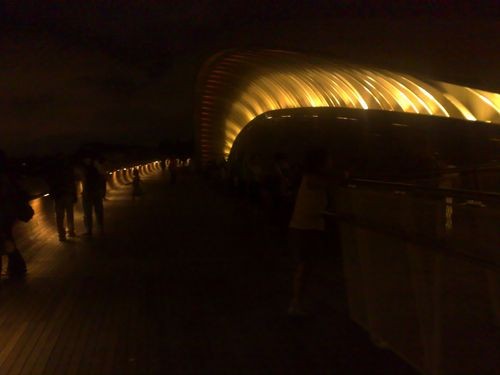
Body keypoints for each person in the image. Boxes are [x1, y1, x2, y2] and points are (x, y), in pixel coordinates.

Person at [287, 149, 332, 315]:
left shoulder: (309, 177)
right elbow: (330, 183)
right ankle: (296, 303)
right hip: (305, 228)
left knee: (305, 266)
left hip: (304, 227)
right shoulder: (313, 178)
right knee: (304, 266)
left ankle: (298, 302)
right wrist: (346, 176)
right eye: (328, 160)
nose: (331, 163)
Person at [0, 150, 29, 277]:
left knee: (5, 240)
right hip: (7, 213)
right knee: (6, 239)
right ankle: (17, 267)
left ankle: (17, 267)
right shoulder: (6, 174)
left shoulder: (2, 177)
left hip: (2, 213)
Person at [47, 156, 77, 241]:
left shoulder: (53, 172)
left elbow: (51, 184)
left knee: (59, 217)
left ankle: (61, 234)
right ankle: (71, 231)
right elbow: (72, 183)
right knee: (69, 215)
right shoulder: (68, 170)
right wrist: (74, 195)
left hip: (58, 196)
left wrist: (52, 195)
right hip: (68, 195)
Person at [81, 156, 105, 236]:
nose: (86, 160)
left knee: (93, 212)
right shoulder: (95, 167)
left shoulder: (90, 168)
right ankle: (91, 229)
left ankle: (94, 229)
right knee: (91, 212)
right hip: (91, 193)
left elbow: (102, 178)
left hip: (92, 193)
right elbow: (102, 177)